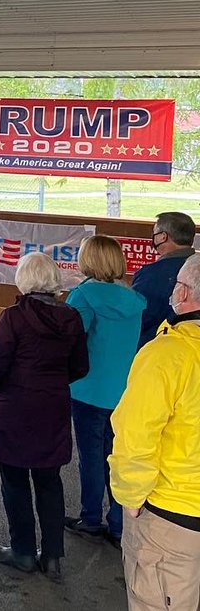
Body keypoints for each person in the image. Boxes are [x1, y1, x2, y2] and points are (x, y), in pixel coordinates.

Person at [0, 252, 89, 581]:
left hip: (14, 408)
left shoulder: (14, 317)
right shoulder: (71, 317)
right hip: (53, 407)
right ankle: (52, 556)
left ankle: (23, 552)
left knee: (14, 482)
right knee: (49, 481)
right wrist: (53, 383)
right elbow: (80, 366)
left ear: (24, 279)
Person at [111, 253, 200, 611]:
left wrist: (130, 498)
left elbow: (135, 436)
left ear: (184, 292)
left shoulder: (167, 354)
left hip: (171, 516)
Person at [63, 235, 146, 548]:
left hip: (88, 390)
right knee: (117, 456)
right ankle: (119, 523)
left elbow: (71, 340)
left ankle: (91, 519)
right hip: (123, 391)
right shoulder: (134, 299)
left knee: (91, 458)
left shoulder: (82, 296)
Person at [131, 211, 195, 347]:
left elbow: (136, 316)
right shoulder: (196, 268)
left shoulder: (151, 274)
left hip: (154, 346)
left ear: (163, 237)